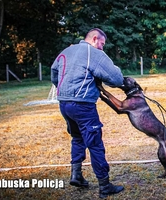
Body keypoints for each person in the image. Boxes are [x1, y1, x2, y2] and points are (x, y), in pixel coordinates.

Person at [51, 28, 124, 198]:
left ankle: (76, 175)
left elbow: (54, 72)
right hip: (83, 106)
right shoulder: (94, 54)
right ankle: (105, 186)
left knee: (77, 137)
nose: (102, 48)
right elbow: (116, 78)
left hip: (64, 104)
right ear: (95, 38)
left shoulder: (66, 51)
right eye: (102, 44)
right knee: (95, 143)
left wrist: (63, 88)